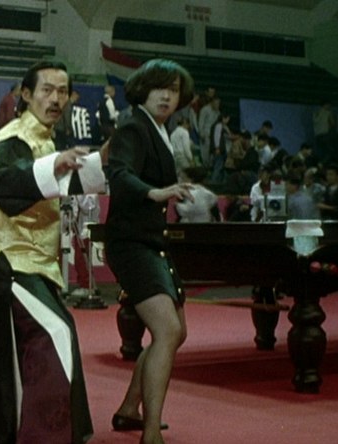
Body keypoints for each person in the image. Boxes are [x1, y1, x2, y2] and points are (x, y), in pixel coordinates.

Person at [0, 60, 105, 443]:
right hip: (10, 261)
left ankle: (21, 431)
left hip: (30, 262)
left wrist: (100, 162)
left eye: (62, 91)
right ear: (26, 94)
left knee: (14, 351)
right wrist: (54, 166)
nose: (55, 98)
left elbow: (51, 183)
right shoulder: (14, 138)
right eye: (47, 90)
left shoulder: (43, 139)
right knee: (54, 334)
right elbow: (0, 182)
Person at [103, 58, 195, 444]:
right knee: (168, 330)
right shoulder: (132, 126)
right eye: (159, 87)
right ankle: (151, 430)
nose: (166, 96)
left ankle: (129, 409)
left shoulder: (159, 129)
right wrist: (154, 192)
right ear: (142, 89)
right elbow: (119, 173)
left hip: (153, 242)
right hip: (131, 243)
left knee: (175, 332)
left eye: (173, 90)